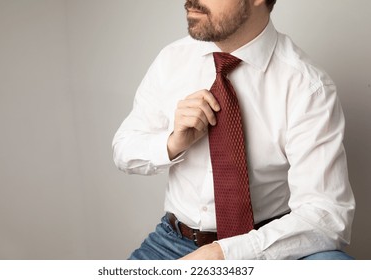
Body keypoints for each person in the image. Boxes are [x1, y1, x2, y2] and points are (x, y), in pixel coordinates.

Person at [112, 0, 355, 260]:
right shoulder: (172, 60)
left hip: (265, 242)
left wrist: (224, 254)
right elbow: (123, 150)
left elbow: (327, 215)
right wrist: (173, 143)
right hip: (172, 244)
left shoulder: (306, 86)